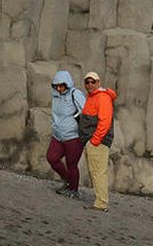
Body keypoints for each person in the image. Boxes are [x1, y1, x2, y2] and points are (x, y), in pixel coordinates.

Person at [79, 72, 116, 212]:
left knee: (98, 172)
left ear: (98, 82)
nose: (90, 85)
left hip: (97, 142)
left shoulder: (102, 98)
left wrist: (94, 140)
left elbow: (105, 122)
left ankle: (101, 203)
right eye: (87, 82)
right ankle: (100, 201)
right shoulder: (92, 97)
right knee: (96, 171)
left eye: (92, 82)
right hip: (93, 141)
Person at [46, 71, 86, 198]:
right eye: (56, 86)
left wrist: (75, 118)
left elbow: (85, 111)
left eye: (62, 85)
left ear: (67, 84)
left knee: (72, 164)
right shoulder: (55, 96)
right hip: (58, 135)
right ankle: (67, 180)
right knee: (52, 158)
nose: (59, 88)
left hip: (73, 136)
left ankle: (73, 190)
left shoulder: (75, 94)